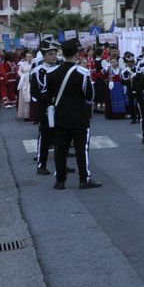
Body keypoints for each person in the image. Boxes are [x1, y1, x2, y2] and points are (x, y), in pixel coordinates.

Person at [41, 38, 100, 190]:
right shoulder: (83, 73)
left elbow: (47, 96)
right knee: (81, 149)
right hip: (79, 117)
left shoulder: (52, 73)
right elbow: (90, 97)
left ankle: (60, 181)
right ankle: (84, 179)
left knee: (60, 149)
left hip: (60, 116)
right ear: (76, 54)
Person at [30, 40, 62, 174]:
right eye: (50, 54)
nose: (54, 56)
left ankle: (61, 164)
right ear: (43, 56)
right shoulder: (37, 71)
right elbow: (35, 91)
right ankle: (41, 164)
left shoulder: (60, 68)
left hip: (59, 107)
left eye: (55, 53)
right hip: (45, 108)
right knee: (45, 137)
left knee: (61, 137)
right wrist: (49, 99)